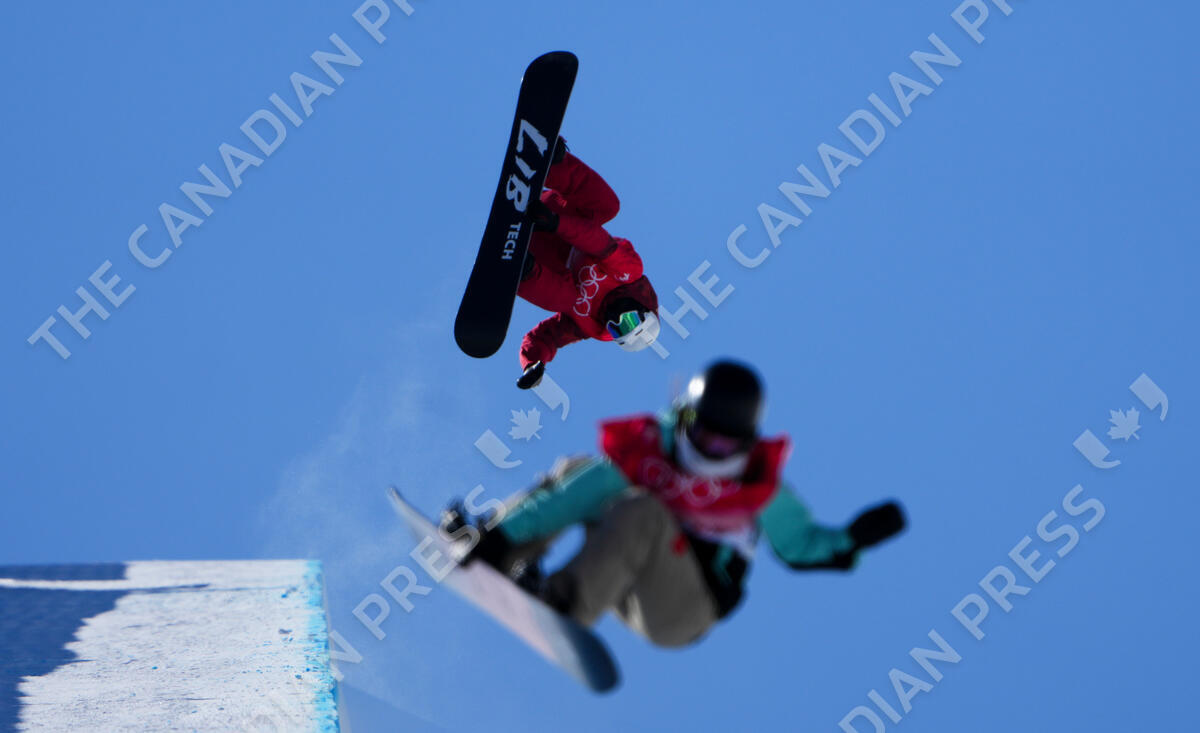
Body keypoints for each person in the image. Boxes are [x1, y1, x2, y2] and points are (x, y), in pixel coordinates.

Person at [450, 359, 906, 647]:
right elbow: (574, 498)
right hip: (620, 576)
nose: (709, 451)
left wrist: (852, 539)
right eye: (702, 434)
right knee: (581, 472)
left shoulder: (757, 485)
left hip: (684, 606)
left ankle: (562, 604)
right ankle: (500, 546)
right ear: (687, 417)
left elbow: (799, 545)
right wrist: (499, 536)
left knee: (643, 512)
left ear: (746, 443)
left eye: (725, 446)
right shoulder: (655, 448)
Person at [514, 140, 661, 390]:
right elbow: (595, 240)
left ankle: (521, 270)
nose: (615, 320)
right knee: (608, 206)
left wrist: (532, 363)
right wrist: (555, 222)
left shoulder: (590, 324)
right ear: (641, 308)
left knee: (567, 299)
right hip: (549, 215)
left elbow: (547, 337)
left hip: (533, 255)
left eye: (616, 330)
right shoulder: (628, 272)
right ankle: (552, 163)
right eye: (628, 321)